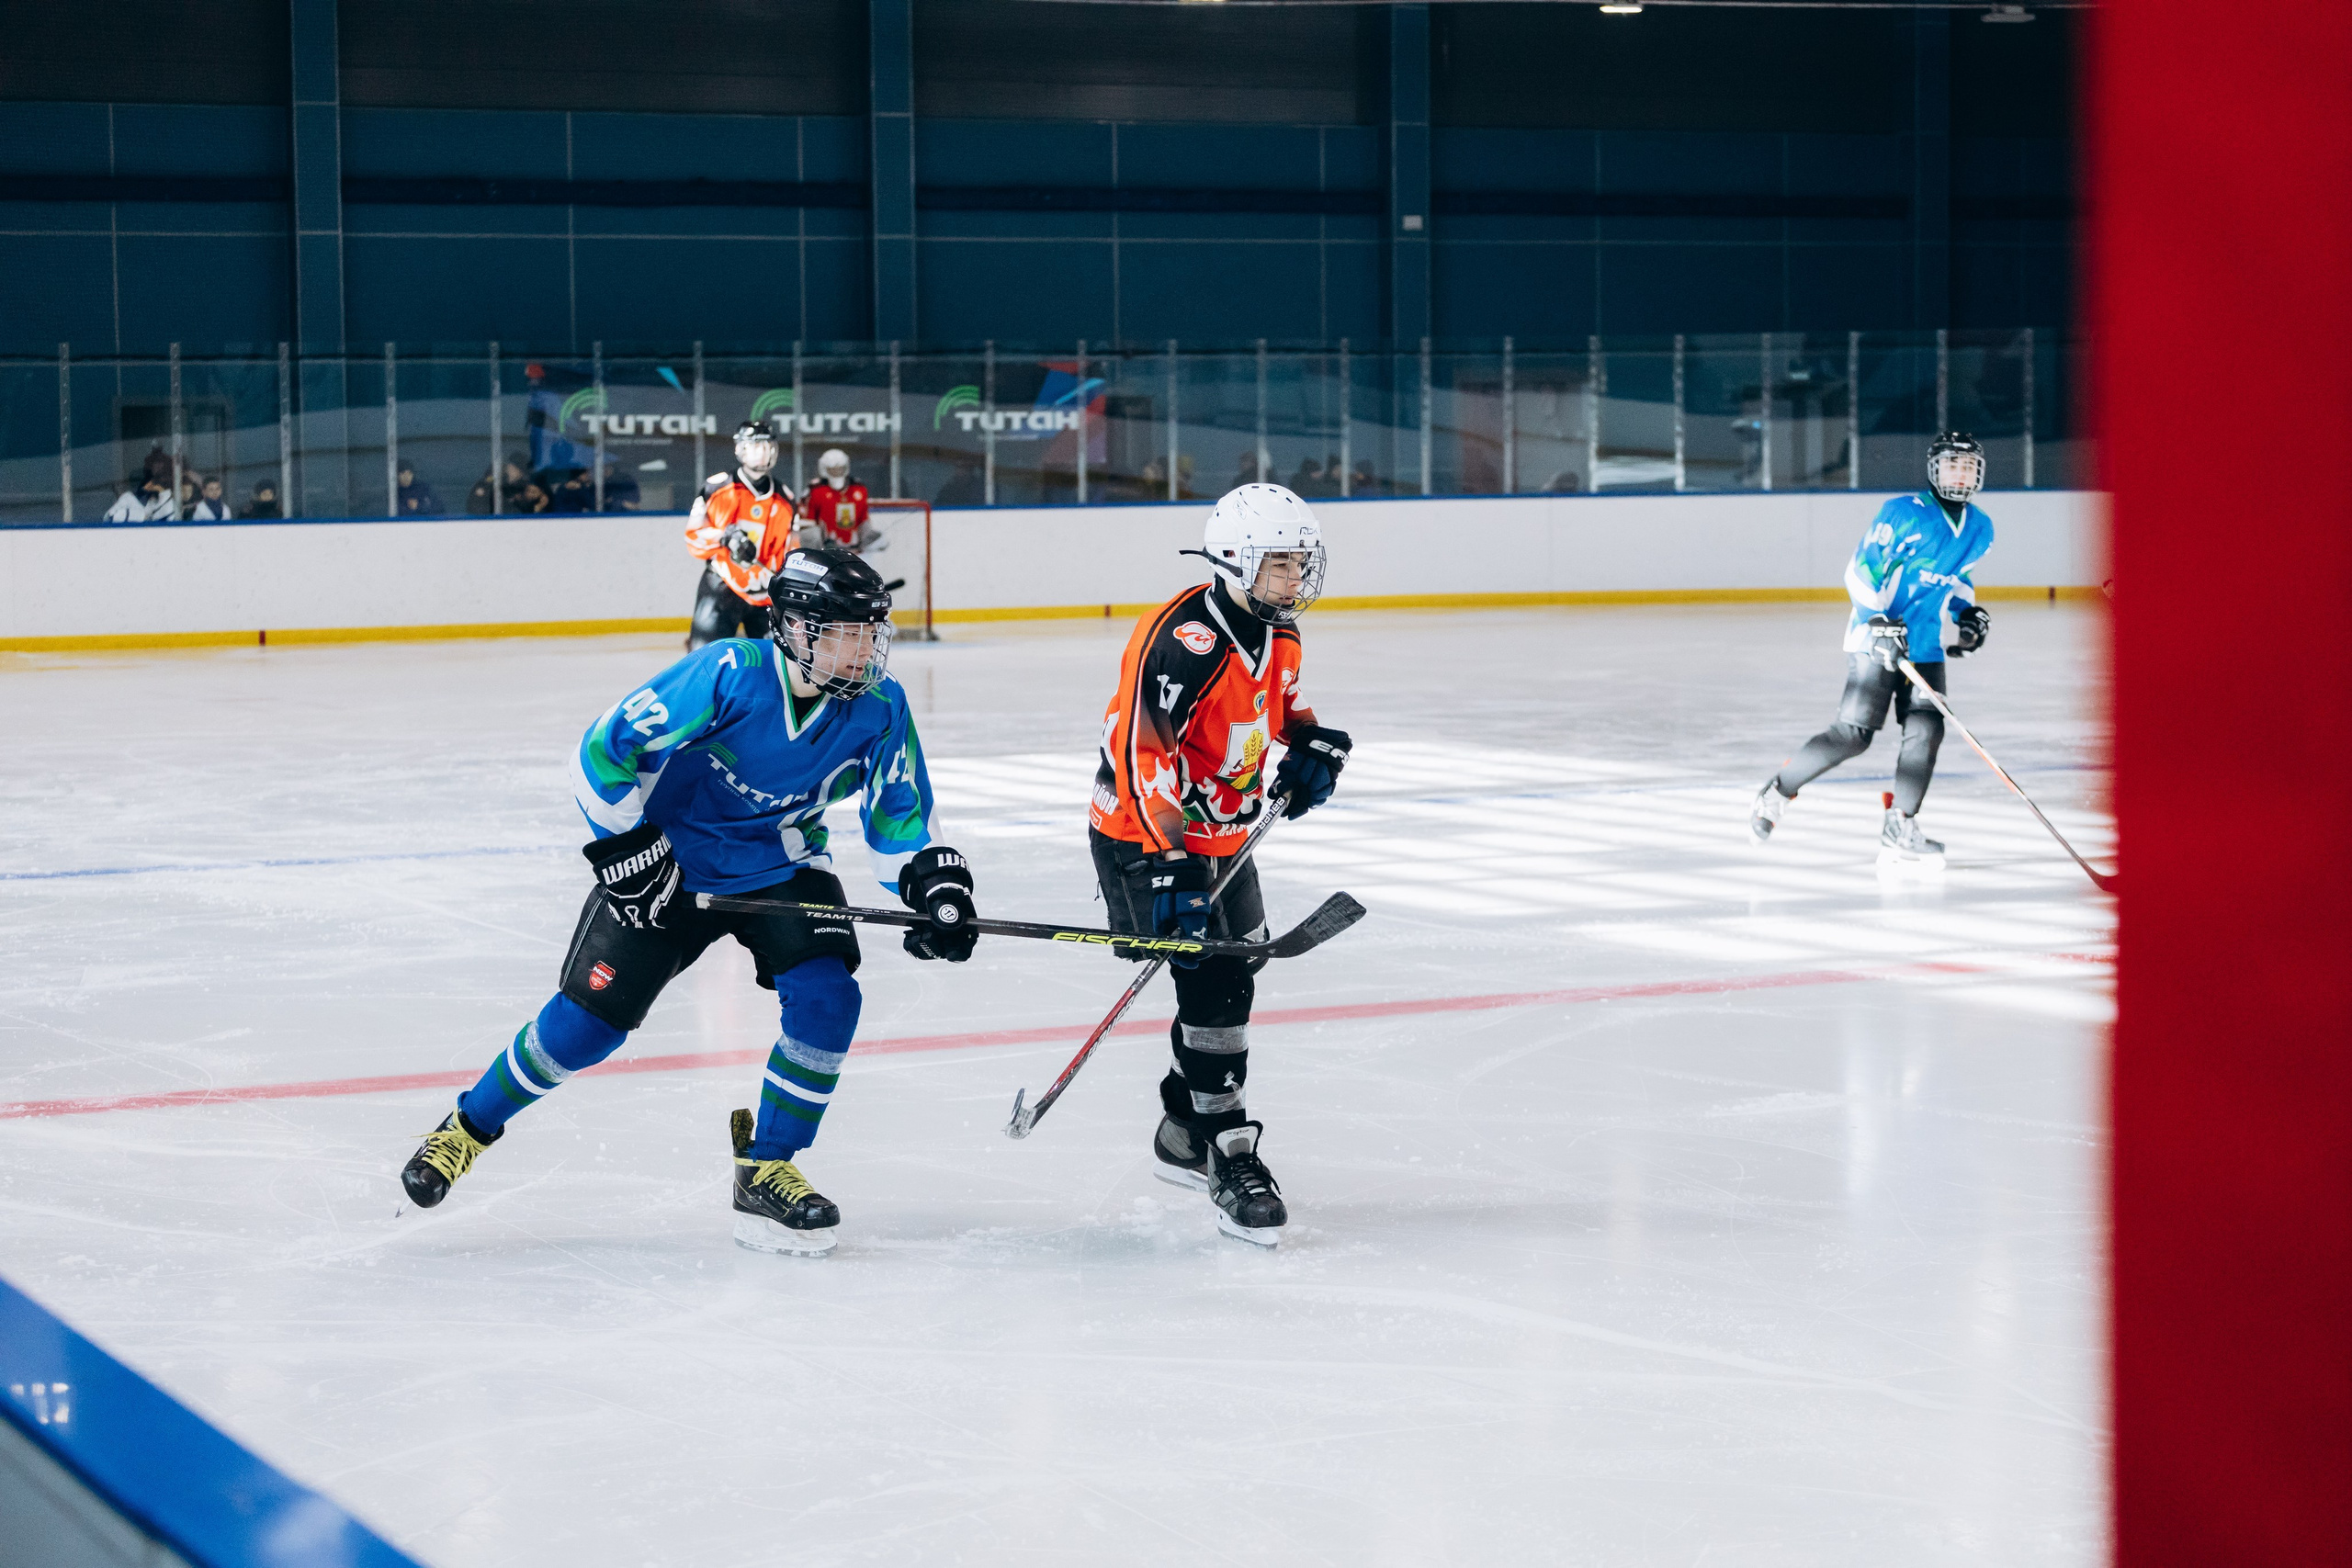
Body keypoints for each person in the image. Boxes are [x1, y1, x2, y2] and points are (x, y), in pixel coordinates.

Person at [398, 548, 978, 1257]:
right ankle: (466, 1127)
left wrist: (933, 880)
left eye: (870, 632)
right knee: (586, 1027)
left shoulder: (879, 707)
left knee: (829, 997)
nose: (864, 649)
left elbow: (900, 814)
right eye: (845, 632)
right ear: (795, 629)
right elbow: (602, 752)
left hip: (780, 865)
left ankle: (768, 1166)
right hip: (668, 865)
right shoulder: (728, 674)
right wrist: (625, 850)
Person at [1088, 482, 1352, 1248]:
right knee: (1217, 980)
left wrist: (1310, 747)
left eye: (1300, 564)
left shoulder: (1282, 637)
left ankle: (1182, 1118)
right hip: (1145, 835)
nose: (1294, 579)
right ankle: (1227, 1145)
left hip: (1222, 834)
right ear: (1235, 562)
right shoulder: (1181, 640)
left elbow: (1280, 715)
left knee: (1240, 965)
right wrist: (1168, 859)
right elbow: (1143, 755)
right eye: (1278, 565)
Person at [1749, 433, 1996, 867]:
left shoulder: (1980, 528)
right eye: (1951, 464)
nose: (1960, 474)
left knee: (1926, 731)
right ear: (1934, 469)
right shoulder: (1903, 513)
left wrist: (1967, 615)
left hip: (1924, 645)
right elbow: (1860, 571)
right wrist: (1878, 622)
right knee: (1853, 736)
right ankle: (1778, 790)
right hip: (1874, 638)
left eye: (1967, 466)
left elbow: (1956, 580)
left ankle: (1901, 825)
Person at [684, 419, 796, 650]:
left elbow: (791, 550)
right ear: (740, 450)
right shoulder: (716, 489)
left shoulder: (786, 499)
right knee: (706, 660)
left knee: (778, 665)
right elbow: (694, 538)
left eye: (766, 446)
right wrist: (725, 536)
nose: (761, 453)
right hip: (722, 586)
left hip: (766, 595)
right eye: (754, 446)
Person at [799, 446, 868, 547]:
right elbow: (808, 526)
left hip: (854, 549)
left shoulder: (859, 489)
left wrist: (867, 540)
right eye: (833, 470)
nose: (837, 473)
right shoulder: (815, 491)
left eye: (840, 469)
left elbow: (864, 522)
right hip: (825, 551)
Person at [103, 473, 171, 523]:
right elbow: (109, 517)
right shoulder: (128, 498)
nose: (151, 485)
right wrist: (141, 516)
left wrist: (163, 492)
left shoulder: (163, 502)